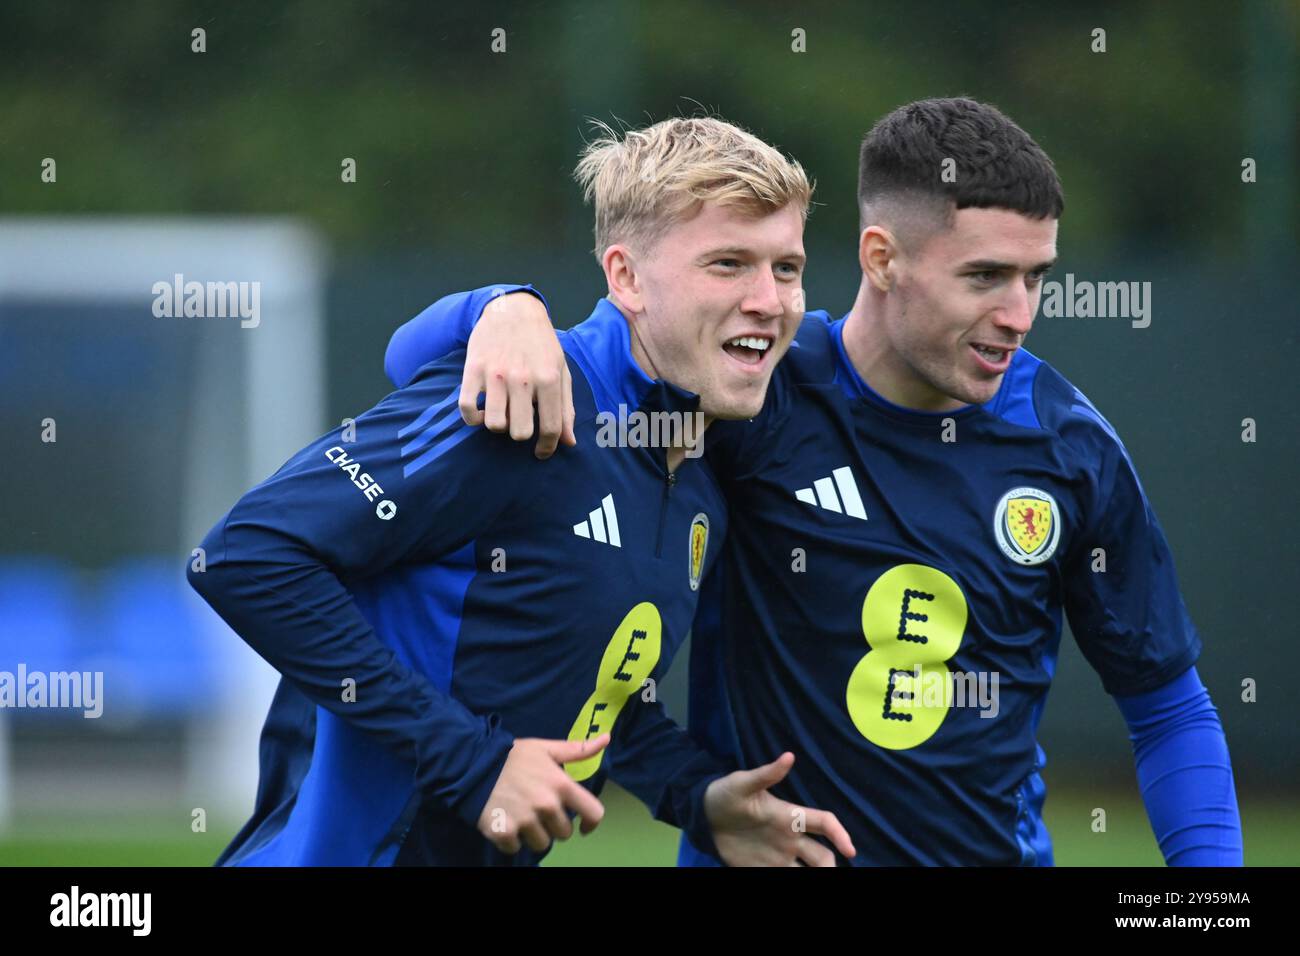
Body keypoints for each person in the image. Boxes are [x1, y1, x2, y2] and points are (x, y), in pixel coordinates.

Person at [388, 98, 1243, 866]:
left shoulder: (1070, 448)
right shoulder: (748, 393)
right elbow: (594, 655)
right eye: (984, 277)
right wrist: (500, 306)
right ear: (882, 257)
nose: (1019, 315)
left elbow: (1167, 705)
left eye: (1036, 278)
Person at [188, 116, 856, 866]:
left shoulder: (698, 482)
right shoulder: (525, 402)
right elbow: (247, 554)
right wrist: (474, 764)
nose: (769, 300)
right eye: (728, 264)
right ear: (626, 277)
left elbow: (590, 696)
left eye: (787, 268)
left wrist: (695, 796)